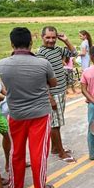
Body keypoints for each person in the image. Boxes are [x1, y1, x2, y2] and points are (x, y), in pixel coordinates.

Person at [0, 27, 57, 188]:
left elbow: (4, 87)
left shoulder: (2, 64)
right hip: (40, 113)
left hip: (16, 114)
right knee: (38, 151)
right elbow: (52, 83)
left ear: (12, 44)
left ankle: (15, 186)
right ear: (31, 43)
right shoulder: (43, 64)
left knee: (16, 151)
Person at [36, 26, 76, 163]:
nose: (51, 40)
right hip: (53, 94)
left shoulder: (57, 50)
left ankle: (55, 148)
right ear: (42, 37)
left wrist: (66, 40)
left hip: (60, 92)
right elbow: (41, 78)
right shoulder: (41, 54)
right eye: (48, 37)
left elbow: (74, 53)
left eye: (53, 37)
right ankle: (61, 152)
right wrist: (50, 97)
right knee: (55, 124)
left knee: (57, 122)